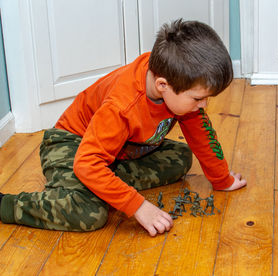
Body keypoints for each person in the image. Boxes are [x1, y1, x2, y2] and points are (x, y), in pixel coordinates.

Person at [0, 19, 247, 236]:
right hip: (72, 145)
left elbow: (201, 134)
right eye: (197, 99)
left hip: (120, 150)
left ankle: (103, 184)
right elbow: (86, 163)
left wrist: (221, 179)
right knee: (89, 213)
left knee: (181, 157)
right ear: (163, 85)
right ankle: (7, 205)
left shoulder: (174, 79)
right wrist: (138, 206)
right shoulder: (122, 106)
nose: (203, 105)